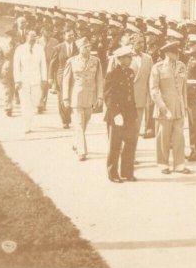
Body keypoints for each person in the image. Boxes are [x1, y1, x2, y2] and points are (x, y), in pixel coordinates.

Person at [150, 40, 190, 174]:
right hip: (164, 107)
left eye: (178, 51)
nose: (178, 54)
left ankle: (179, 164)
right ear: (167, 53)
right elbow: (154, 90)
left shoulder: (182, 66)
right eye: (174, 52)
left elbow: (184, 88)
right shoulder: (158, 67)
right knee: (163, 136)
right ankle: (163, 164)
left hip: (178, 107)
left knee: (179, 136)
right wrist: (162, 107)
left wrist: (184, 105)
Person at [62, 37, 104, 161]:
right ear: (79, 48)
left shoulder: (96, 61)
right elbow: (66, 80)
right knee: (79, 124)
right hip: (77, 96)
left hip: (90, 96)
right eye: (85, 47)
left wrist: (100, 96)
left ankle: (76, 142)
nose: (88, 48)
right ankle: (82, 151)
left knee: (85, 122)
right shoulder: (72, 61)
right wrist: (65, 98)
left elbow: (99, 79)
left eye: (89, 46)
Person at [104, 45, 139, 183]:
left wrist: (133, 113)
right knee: (115, 145)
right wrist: (116, 113)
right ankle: (112, 173)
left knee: (130, 143)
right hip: (117, 114)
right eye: (128, 57)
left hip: (129, 113)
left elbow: (130, 94)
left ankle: (127, 172)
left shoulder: (130, 72)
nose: (130, 59)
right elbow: (109, 96)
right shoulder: (112, 74)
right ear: (121, 59)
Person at [13, 30, 48, 134]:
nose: (33, 39)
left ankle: (29, 120)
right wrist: (17, 80)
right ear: (26, 36)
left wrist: (44, 79)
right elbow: (16, 66)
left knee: (34, 102)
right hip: (24, 81)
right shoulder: (20, 49)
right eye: (31, 37)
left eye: (34, 37)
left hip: (36, 80)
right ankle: (26, 125)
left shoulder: (40, 49)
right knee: (25, 103)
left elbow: (43, 65)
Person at [50, 28, 78, 129]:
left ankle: (70, 115)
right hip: (61, 75)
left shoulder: (77, 47)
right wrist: (51, 79)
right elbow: (53, 64)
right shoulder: (58, 48)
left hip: (75, 75)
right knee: (62, 98)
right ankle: (65, 121)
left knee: (72, 96)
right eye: (69, 35)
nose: (71, 37)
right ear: (64, 36)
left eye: (73, 35)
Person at [127, 33, 153, 139]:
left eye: (143, 43)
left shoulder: (148, 58)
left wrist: (151, 96)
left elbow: (151, 79)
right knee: (126, 125)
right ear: (132, 43)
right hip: (125, 97)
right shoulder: (124, 56)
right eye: (139, 43)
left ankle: (131, 148)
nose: (141, 45)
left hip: (140, 97)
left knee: (137, 126)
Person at [0, 28, 18, 117]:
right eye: (12, 37)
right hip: (6, 70)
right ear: (9, 37)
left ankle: (9, 104)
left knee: (12, 90)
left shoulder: (19, 46)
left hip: (16, 71)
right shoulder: (3, 46)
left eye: (15, 37)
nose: (13, 39)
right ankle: (8, 107)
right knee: (7, 90)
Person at [37, 26, 59, 113]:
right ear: (42, 31)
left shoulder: (55, 41)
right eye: (47, 30)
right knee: (39, 84)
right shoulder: (37, 41)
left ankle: (42, 103)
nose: (49, 33)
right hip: (39, 65)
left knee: (45, 85)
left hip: (49, 65)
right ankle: (39, 101)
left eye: (50, 31)